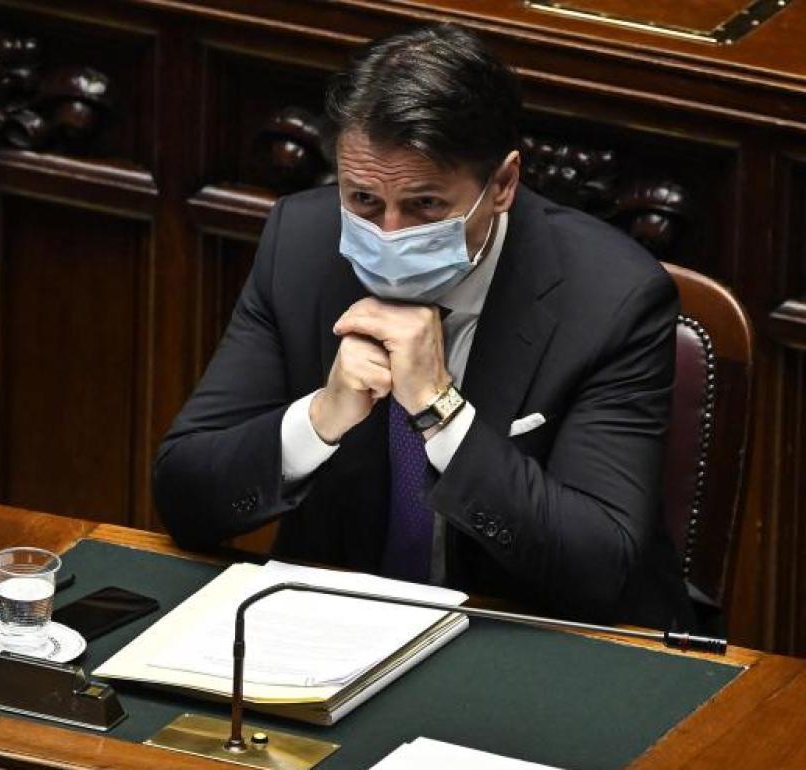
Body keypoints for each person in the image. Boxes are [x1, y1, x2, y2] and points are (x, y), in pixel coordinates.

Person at [153, 24, 693, 629]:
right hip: (340, 632)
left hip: (530, 633)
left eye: (425, 206)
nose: (389, 234)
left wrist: (441, 413)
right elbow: (183, 496)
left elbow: (599, 563)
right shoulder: (301, 247)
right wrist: (321, 418)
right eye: (363, 200)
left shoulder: (612, 298)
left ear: (503, 184)